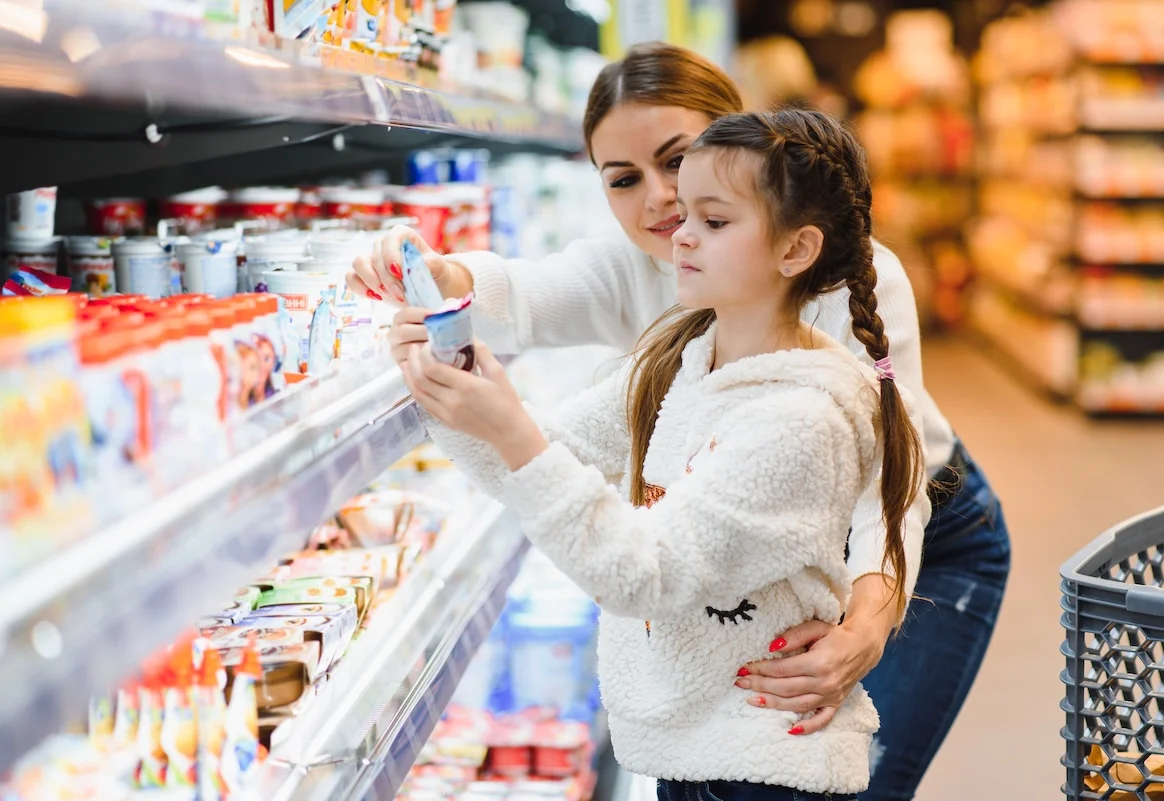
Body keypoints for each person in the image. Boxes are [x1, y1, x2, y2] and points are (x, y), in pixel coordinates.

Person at [350, 42, 1011, 801]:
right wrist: (435, 278)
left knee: (848, 772)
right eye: (623, 180)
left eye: (681, 161)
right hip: (756, 545)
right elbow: (527, 292)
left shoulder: (835, 288)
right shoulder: (667, 289)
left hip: (913, 541)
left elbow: (888, 496)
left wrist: (867, 623)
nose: (662, 203)